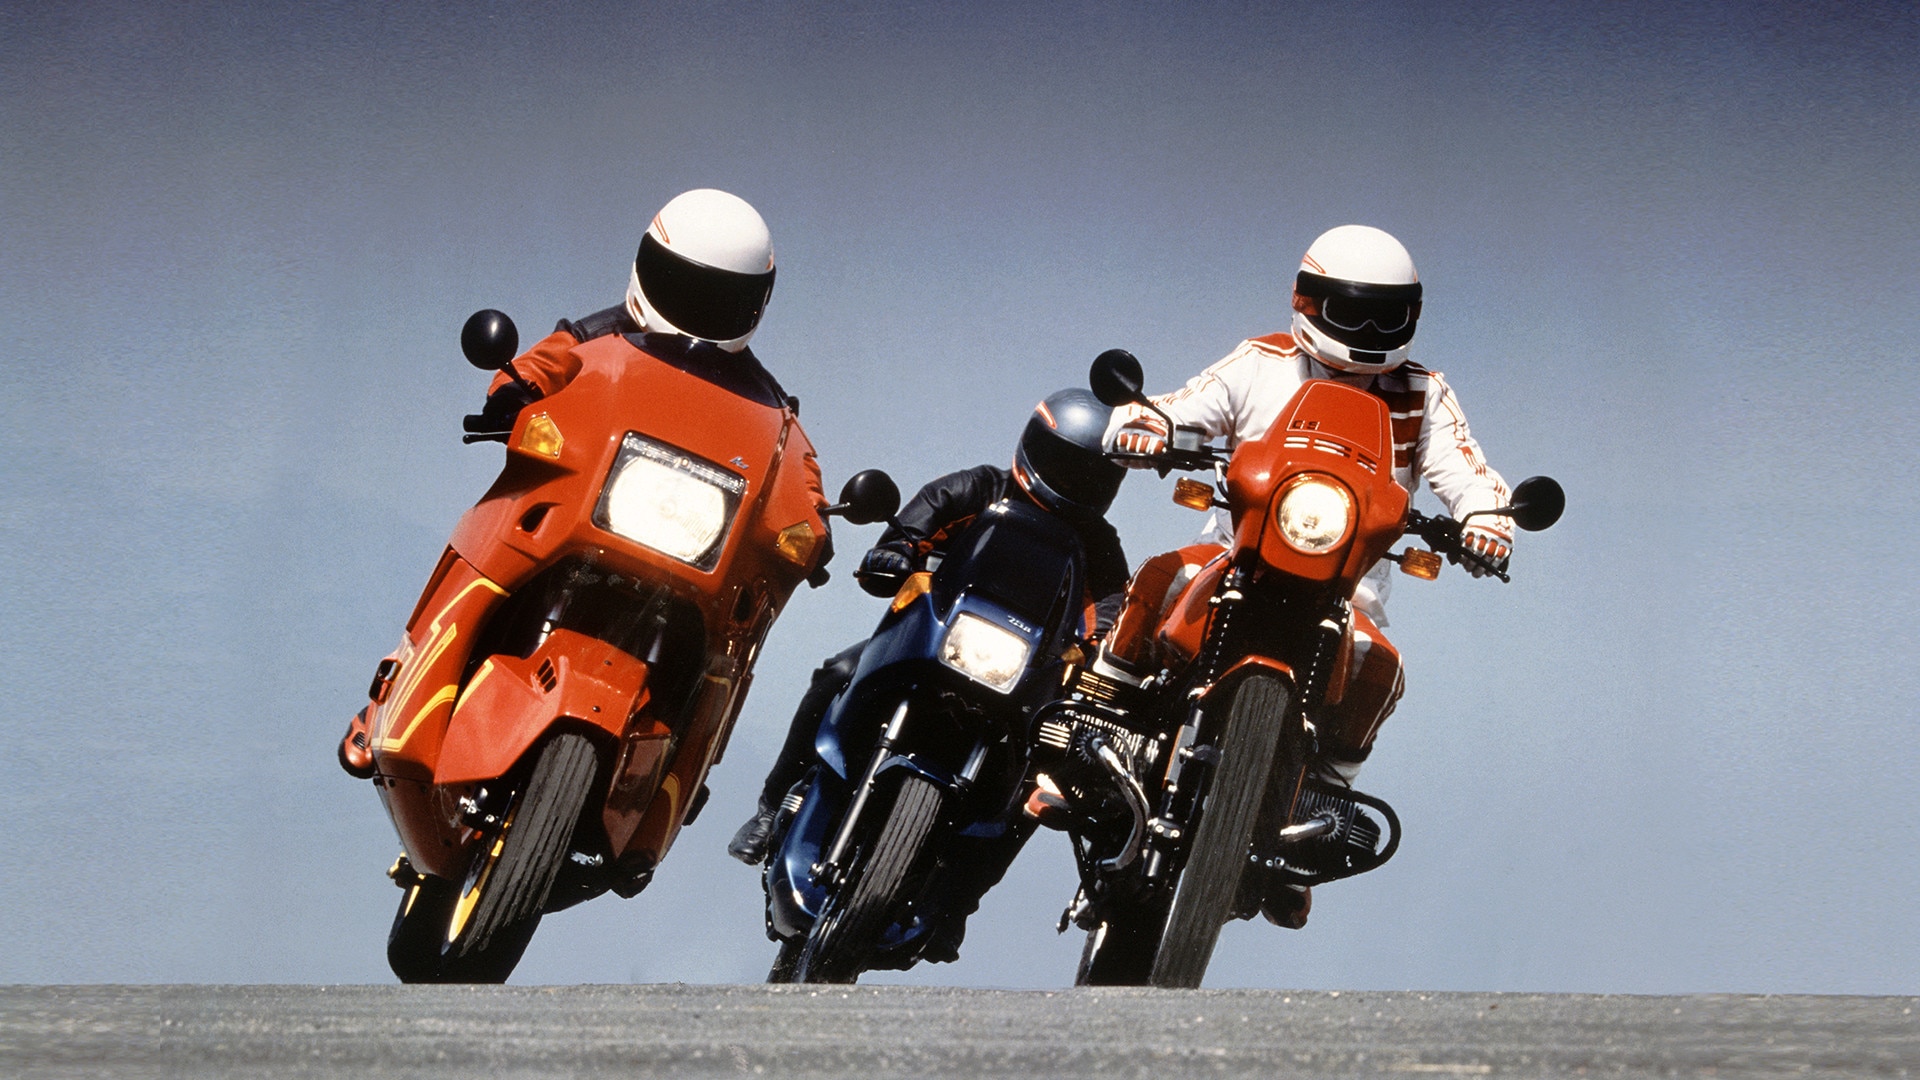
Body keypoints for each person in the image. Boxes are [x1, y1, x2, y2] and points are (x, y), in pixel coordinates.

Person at [1100, 224, 1514, 928]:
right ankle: (1098, 726)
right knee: (1162, 576)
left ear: (1412, 317)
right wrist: (1146, 423)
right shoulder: (1261, 361)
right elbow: (1183, 405)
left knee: (1381, 668)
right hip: (1235, 553)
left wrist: (1487, 518)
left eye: (1387, 317)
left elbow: (1466, 470)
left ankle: (1315, 811)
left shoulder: (1424, 393)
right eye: (1352, 312)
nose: (1369, 333)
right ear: (1306, 301)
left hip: (1348, 589)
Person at [337, 188, 794, 780]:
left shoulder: (770, 405)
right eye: (685, 286)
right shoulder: (596, 335)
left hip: (684, 540)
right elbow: (539, 364)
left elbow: (796, 464)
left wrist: (806, 522)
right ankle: (397, 681)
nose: (700, 307)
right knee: (497, 530)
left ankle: (680, 776)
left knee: (729, 643)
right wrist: (513, 392)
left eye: (720, 297)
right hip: (581, 504)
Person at [726, 388, 1133, 886]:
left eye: (1092, 475)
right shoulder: (978, 488)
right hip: (935, 637)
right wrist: (895, 551)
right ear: (1035, 445)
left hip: (1021, 673)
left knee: (1040, 778)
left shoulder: (1100, 546)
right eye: (1065, 465)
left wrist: (1094, 650)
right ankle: (771, 808)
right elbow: (917, 525)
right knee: (836, 674)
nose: (1074, 481)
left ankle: (959, 897)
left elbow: (1109, 609)